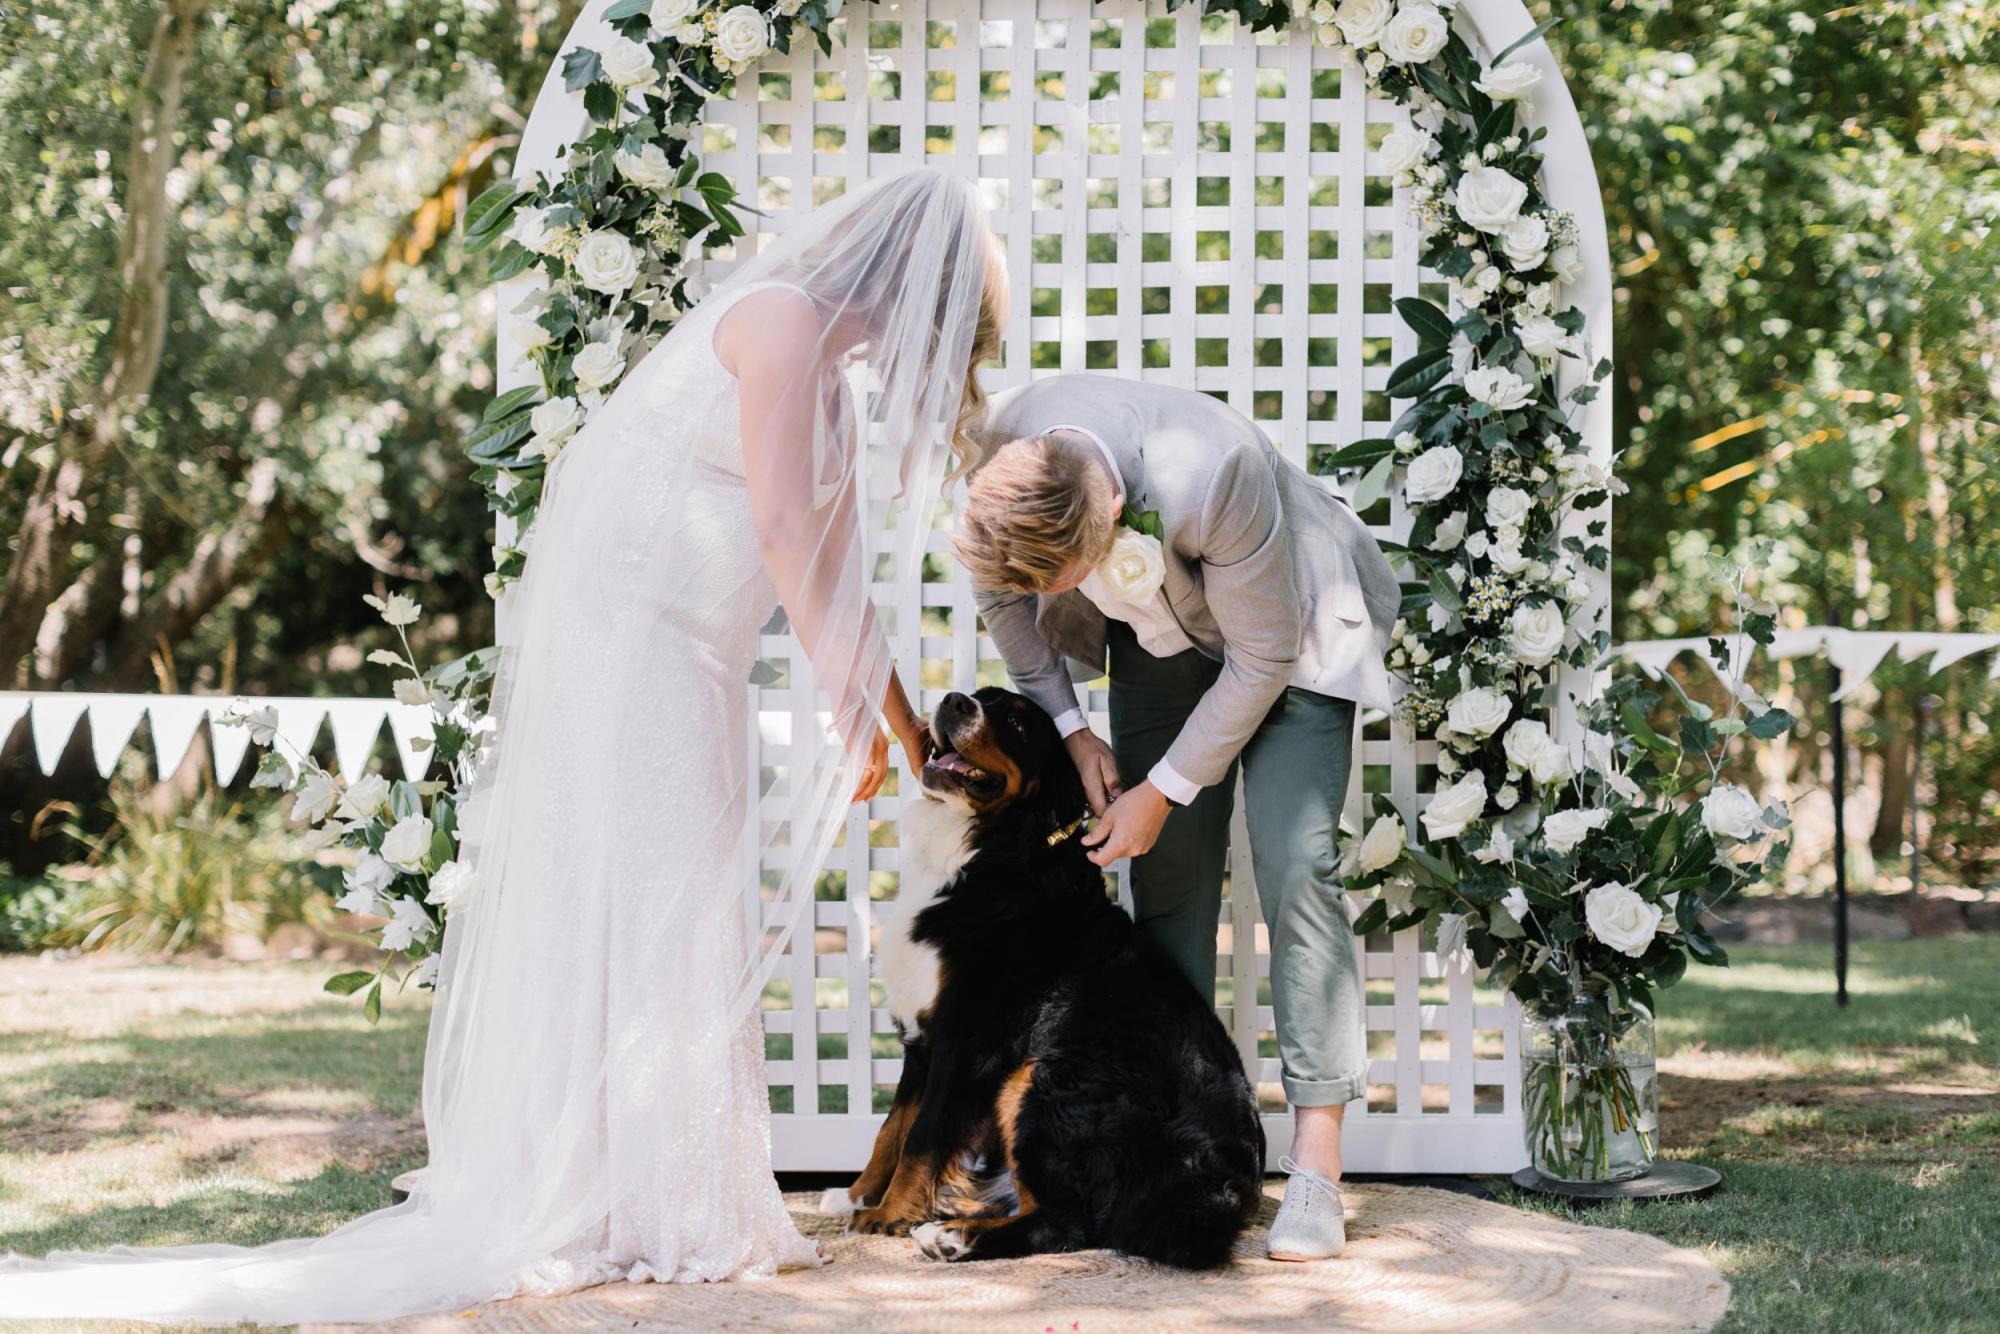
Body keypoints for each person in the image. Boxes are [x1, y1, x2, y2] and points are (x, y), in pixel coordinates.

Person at [0, 168, 1006, 1324]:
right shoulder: (780, 320)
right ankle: (635, 1201)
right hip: (636, 649)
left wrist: (891, 719)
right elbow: (780, 527)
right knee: (657, 896)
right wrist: (845, 693)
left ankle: (666, 1191)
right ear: (900, 279)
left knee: (680, 896)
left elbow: (830, 567)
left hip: (698, 659)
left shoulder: (828, 370)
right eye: (938, 317)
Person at [956, 374, 1398, 1262]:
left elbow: (1263, 651)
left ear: (1111, 503)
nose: (1054, 594)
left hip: (1291, 629)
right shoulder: (1003, 458)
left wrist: (1162, 790)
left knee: (1295, 862)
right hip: (1159, 643)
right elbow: (1004, 602)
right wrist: (1076, 733)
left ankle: (1315, 1172)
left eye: (1069, 577)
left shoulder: (1213, 470)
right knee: (1167, 882)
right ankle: (1170, 1149)